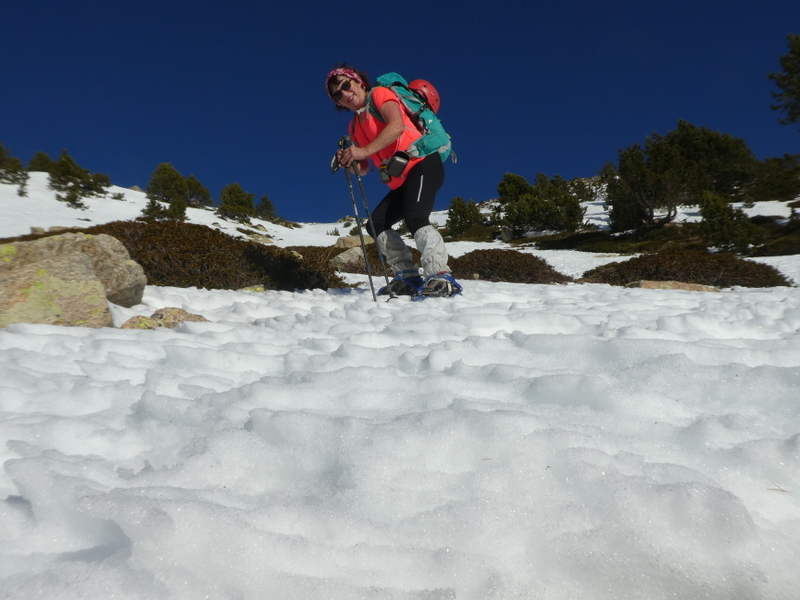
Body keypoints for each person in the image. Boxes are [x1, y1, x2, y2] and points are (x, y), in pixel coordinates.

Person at [326, 65, 462, 298]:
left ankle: (440, 275)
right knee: (376, 224)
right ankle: (408, 277)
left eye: (346, 85)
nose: (344, 93)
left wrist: (362, 151)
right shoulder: (355, 125)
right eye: (337, 94)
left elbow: (397, 126)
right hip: (402, 179)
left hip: (422, 162)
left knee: (415, 216)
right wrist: (350, 160)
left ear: (359, 82)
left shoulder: (379, 94)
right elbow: (364, 168)